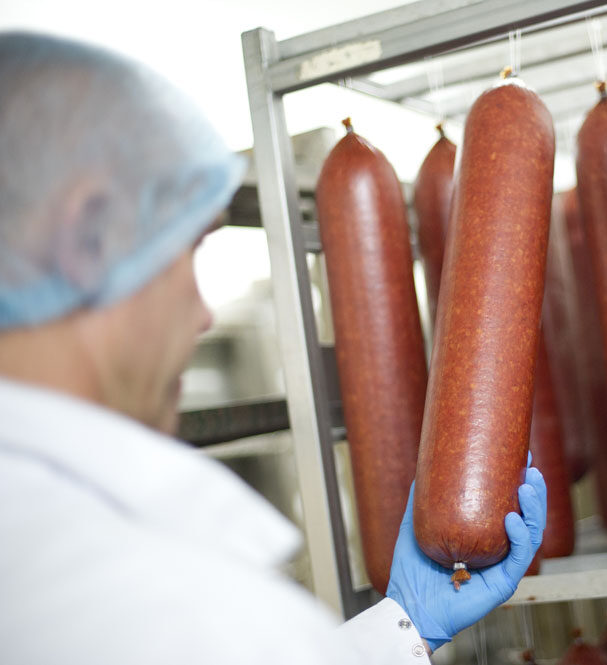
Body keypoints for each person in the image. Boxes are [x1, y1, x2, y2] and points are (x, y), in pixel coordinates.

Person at [0, 31, 546, 665]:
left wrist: (407, 621)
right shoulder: (145, 598)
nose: (204, 313)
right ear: (88, 235)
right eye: (187, 250)